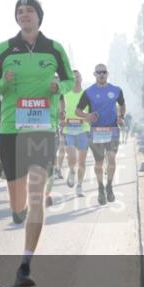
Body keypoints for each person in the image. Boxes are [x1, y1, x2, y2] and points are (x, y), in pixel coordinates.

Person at [0, 0, 73, 287]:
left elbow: (71, 81)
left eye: (30, 11)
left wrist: (58, 87)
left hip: (42, 127)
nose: (25, 15)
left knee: (37, 192)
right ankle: (16, 209)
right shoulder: (4, 49)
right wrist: (3, 84)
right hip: (11, 128)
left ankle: (25, 263)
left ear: (39, 16)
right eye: (20, 12)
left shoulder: (54, 48)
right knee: (19, 199)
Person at [76, 64, 126, 204]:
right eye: (99, 72)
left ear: (107, 74)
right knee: (98, 163)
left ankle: (109, 187)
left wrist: (121, 117)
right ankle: (100, 187)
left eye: (104, 72)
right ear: (94, 74)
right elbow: (78, 110)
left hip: (112, 129)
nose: (101, 74)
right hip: (96, 131)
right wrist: (87, 116)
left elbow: (122, 104)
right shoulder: (89, 92)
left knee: (111, 159)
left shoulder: (116, 90)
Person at [61, 69, 90, 198]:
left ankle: (79, 186)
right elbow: (59, 111)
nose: (76, 79)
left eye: (78, 77)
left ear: (81, 78)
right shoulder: (65, 94)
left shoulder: (87, 94)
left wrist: (87, 118)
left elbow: (91, 113)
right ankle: (72, 170)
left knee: (82, 162)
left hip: (83, 130)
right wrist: (61, 120)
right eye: (73, 77)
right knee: (72, 157)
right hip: (69, 130)